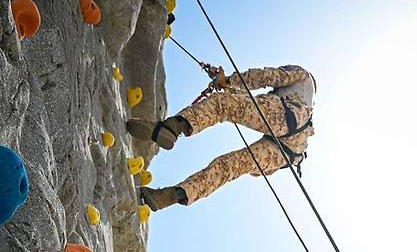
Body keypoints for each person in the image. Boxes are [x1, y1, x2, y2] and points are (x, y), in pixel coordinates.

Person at [126, 64, 315, 211]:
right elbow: (252, 107)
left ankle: (172, 127)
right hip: (287, 153)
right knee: (229, 167)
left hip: (287, 117)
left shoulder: (302, 75)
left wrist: (231, 80)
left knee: (221, 105)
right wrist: (227, 84)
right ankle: (169, 196)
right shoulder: (304, 103)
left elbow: (268, 76)